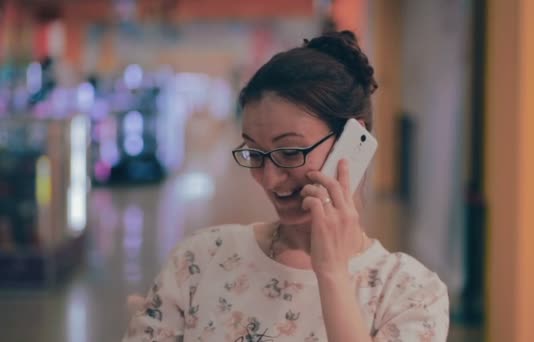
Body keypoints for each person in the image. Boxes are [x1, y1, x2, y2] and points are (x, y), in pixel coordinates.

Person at [123, 30, 449, 342]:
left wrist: (332, 274)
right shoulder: (200, 260)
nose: (269, 178)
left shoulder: (410, 294)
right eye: (255, 152)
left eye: (290, 152)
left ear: (353, 142)